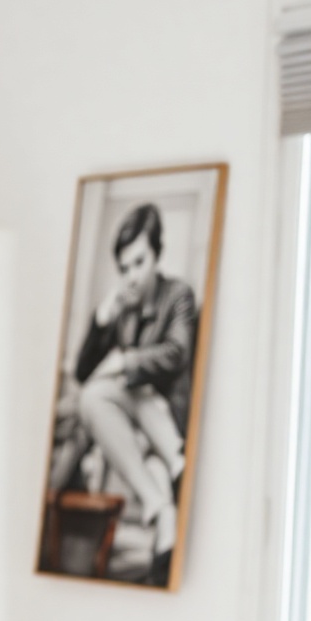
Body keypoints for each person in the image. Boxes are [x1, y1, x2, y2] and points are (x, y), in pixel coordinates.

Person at [70, 201, 197, 579]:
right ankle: (160, 505)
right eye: (124, 268)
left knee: (119, 387)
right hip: (135, 429)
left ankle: (171, 471)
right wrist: (100, 322)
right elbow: (82, 373)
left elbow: (177, 352)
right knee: (92, 397)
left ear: (156, 255)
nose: (131, 277)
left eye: (139, 263)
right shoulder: (122, 306)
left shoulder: (179, 295)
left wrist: (126, 361)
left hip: (166, 420)